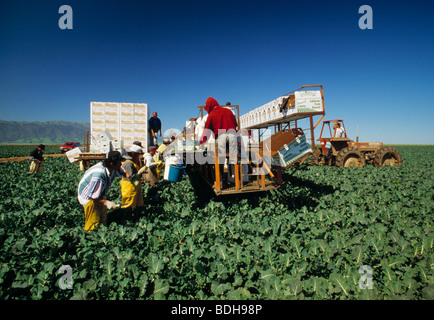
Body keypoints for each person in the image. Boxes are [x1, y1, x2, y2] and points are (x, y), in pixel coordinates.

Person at [77, 150, 128, 232]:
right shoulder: (99, 175)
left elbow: (125, 174)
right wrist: (106, 203)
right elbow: (92, 196)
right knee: (93, 222)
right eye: (119, 162)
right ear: (111, 163)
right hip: (88, 197)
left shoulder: (113, 168)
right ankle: (90, 236)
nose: (121, 164)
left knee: (103, 218)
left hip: (98, 194)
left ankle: (102, 231)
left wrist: (134, 177)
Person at [199, 97, 238, 165]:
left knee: (220, 159)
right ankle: (233, 174)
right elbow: (235, 124)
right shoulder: (229, 111)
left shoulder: (211, 115)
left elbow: (206, 131)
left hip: (221, 136)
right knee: (233, 158)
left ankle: (220, 174)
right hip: (232, 135)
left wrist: (202, 142)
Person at [120, 145, 147, 209]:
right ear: (133, 153)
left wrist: (139, 182)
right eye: (138, 154)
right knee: (129, 206)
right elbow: (130, 177)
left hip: (133, 186)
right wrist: (139, 173)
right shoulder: (128, 163)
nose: (139, 156)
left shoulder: (132, 162)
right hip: (129, 187)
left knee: (137, 204)